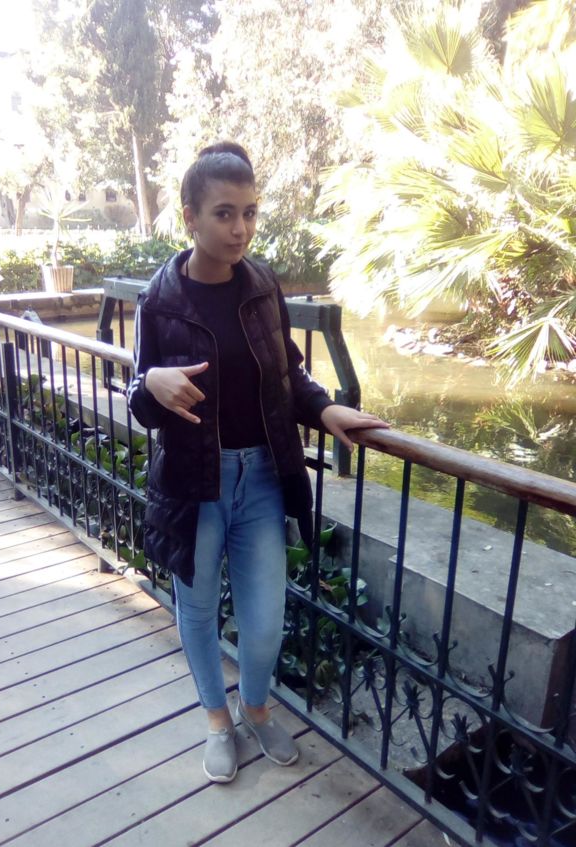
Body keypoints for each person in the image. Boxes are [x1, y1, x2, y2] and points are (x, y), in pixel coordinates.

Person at [127, 142, 389, 783]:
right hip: (195, 483)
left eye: (249, 212)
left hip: (264, 479)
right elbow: (142, 400)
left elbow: (288, 375)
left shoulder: (263, 285)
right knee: (197, 611)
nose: (240, 228)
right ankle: (218, 720)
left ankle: (256, 706)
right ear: (190, 217)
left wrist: (326, 410)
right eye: (224, 213)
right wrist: (152, 383)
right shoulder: (160, 300)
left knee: (265, 620)